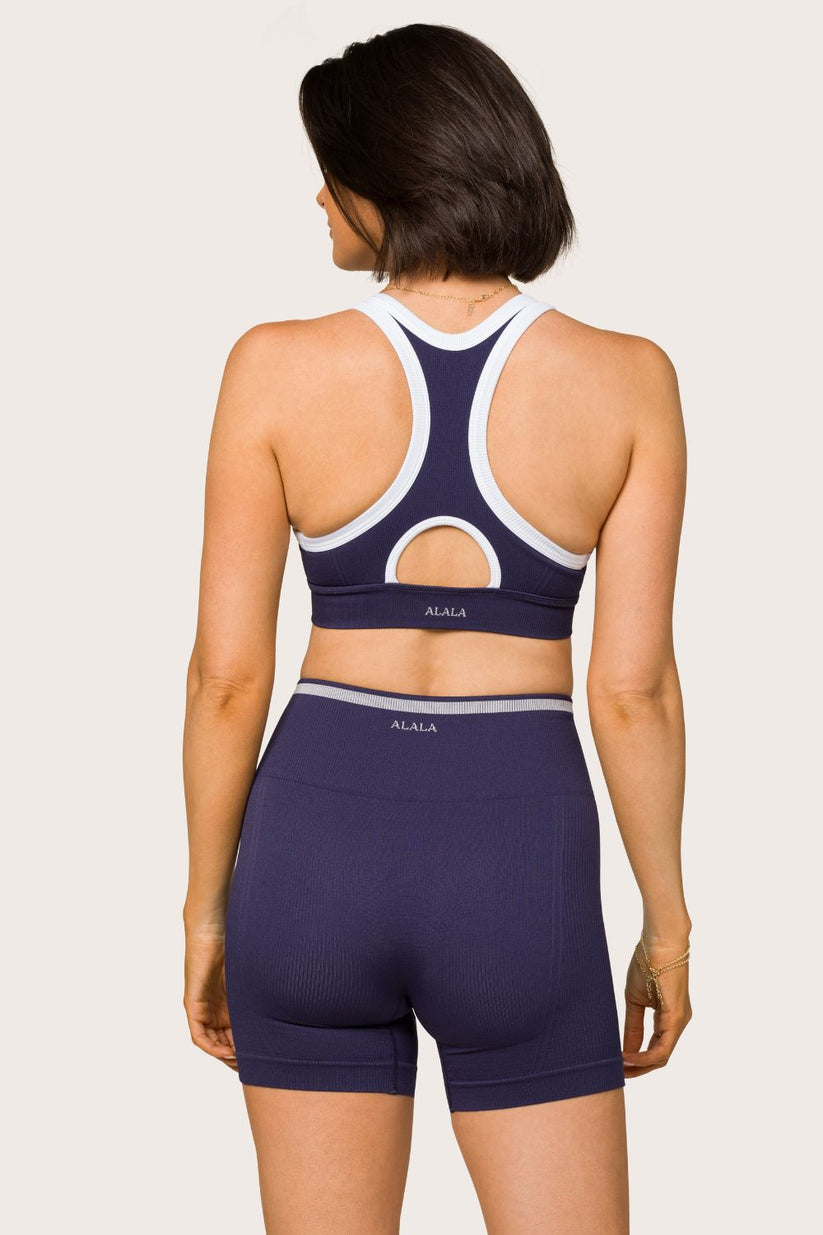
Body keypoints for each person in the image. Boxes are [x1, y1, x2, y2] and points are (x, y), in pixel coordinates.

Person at [182, 22, 692, 1235]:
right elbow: (631, 692)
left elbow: (225, 678)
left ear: (393, 176)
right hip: (516, 859)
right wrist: (666, 921)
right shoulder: (629, 379)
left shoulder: (272, 367)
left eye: (332, 169)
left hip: (311, 852)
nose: (318, 196)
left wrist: (206, 908)